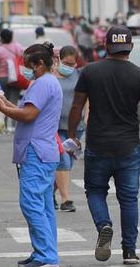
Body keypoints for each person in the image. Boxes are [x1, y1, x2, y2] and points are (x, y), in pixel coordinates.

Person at [68, 25, 140, 265]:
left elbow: (77, 106)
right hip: (128, 146)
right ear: (130, 47)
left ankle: (104, 225)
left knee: (95, 191)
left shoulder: (90, 72)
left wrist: (72, 134)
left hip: (98, 144)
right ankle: (129, 251)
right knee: (128, 198)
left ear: (106, 45)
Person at [0, 42, 61, 267]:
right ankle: (45, 252)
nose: (25, 70)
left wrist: (3, 109)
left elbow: (29, 115)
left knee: (31, 203)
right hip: (44, 150)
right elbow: (28, 111)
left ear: (39, 64)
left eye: (27, 65)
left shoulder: (42, 83)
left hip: (37, 151)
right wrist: (6, 103)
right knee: (43, 206)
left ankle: (46, 255)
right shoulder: (47, 82)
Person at [54, 45, 83, 212]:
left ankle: (49, 193)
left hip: (76, 127)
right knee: (62, 160)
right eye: (65, 63)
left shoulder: (79, 76)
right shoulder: (50, 77)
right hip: (55, 127)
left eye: (72, 64)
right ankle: (66, 200)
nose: (69, 67)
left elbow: (85, 98)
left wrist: (87, 115)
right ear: (58, 60)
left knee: (68, 164)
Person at [0, 29, 24, 130]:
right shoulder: (18, 46)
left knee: (2, 101)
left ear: (1, 38)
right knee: (13, 102)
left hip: (2, 78)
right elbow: (22, 58)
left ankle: (3, 126)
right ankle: (15, 126)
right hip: (16, 78)